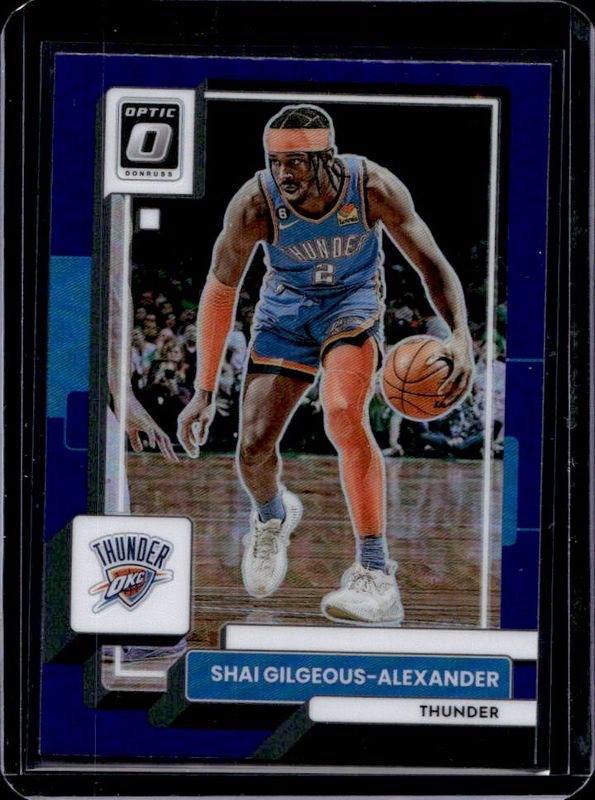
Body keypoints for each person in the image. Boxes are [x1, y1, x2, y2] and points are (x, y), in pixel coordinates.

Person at [177, 104, 473, 625]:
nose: (283, 174)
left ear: (327, 158)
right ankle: (272, 516)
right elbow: (220, 291)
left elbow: (432, 264)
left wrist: (461, 336)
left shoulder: (373, 187)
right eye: (274, 162)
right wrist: (204, 391)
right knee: (252, 448)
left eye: (295, 162)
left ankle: (376, 574)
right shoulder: (254, 204)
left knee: (341, 412)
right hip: (284, 314)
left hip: (351, 306)